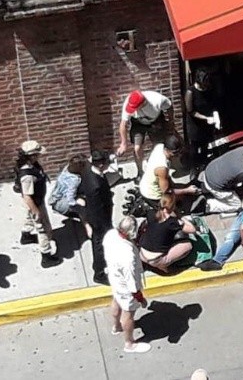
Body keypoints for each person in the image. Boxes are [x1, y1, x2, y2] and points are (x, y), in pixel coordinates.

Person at [104, 216, 152, 354]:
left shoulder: (110, 235)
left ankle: (116, 326)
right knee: (128, 314)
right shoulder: (127, 256)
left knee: (116, 300)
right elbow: (132, 283)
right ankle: (129, 343)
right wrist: (140, 298)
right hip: (126, 288)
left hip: (114, 278)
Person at [15, 140, 62, 268]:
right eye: (37, 154)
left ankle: (26, 236)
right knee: (44, 229)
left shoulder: (30, 165)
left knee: (28, 218)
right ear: (32, 156)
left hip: (32, 203)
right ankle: (46, 256)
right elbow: (27, 196)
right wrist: (36, 212)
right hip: (34, 204)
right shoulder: (27, 176)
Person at [116, 89, 175, 180]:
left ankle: (157, 171)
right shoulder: (129, 102)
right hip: (138, 123)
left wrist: (170, 122)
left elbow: (169, 107)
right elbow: (123, 124)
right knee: (137, 148)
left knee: (158, 147)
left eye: (135, 108)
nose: (133, 110)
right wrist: (123, 144)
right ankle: (140, 173)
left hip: (155, 121)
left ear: (143, 103)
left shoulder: (157, 100)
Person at [79, 150, 115, 285]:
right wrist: (106, 225)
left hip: (97, 217)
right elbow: (98, 209)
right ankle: (99, 273)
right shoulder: (96, 185)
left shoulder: (88, 170)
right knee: (99, 244)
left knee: (99, 242)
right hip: (100, 220)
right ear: (100, 165)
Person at [199, 145, 243, 214]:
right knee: (237, 205)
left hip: (209, 170)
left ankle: (206, 189)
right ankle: (208, 205)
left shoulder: (242, 149)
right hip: (214, 186)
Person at [139, 194, 197, 272]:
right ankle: (163, 265)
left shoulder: (151, 213)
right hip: (155, 260)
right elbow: (192, 229)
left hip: (142, 253)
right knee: (188, 245)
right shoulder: (172, 223)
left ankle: (158, 264)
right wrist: (180, 217)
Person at [138, 135, 199, 208]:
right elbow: (167, 192)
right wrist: (187, 190)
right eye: (175, 152)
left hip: (148, 184)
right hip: (152, 195)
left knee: (182, 190)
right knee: (182, 201)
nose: (178, 155)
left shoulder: (159, 147)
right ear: (166, 149)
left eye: (179, 151)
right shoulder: (162, 168)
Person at [185, 69, 220, 167]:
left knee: (205, 143)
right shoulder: (190, 92)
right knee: (195, 147)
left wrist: (215, 116)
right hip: (195, 124)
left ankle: (204, 162)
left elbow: (213, 104)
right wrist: (205, 118)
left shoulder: (209, 90)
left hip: (207, 122)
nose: (207, 84)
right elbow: (190, 111)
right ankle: (194, 166)